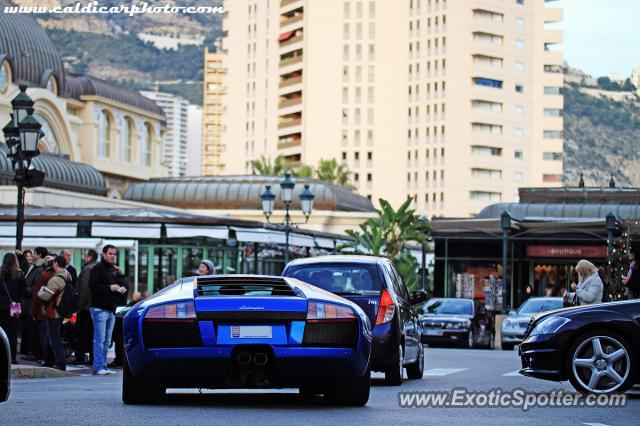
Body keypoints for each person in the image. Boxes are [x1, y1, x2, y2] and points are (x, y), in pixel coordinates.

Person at [89, 245, 128, 375]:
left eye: (114, 254)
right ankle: (98, 366)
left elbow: (112, 286)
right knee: (100, 339)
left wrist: (119, 289)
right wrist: (110, 288)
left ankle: (103, 366)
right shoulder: (98, 269)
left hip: (111, 309)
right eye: (110, 253)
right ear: (104, 254)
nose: (113, 256)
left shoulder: (112, 269)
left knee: (106, 340)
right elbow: (92, 286)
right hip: (99, 308)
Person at [36, 255, 71, 371]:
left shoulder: (55, 279)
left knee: (54, 338)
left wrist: (40, 291)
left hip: (54, 312)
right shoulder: (67, 275)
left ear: (56, 264)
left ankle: (61, 363)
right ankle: (51, 361)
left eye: (54, 263)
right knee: (55, 336)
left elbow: (46, 296)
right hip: (62, 310)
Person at [21, 247, 48, 360]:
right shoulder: (35, 267)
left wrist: (24, 288)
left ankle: (37, 354)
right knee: (31, 330)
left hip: (32, 303)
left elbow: (36, 288)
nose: (32, 256)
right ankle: (35, 352)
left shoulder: (39, 268)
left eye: (34, 254)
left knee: (35, 331)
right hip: (29, 303)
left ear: (39, 255)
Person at [0, 252, 26, 364]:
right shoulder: (19, 274)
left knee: (2, 333)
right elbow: (24, 291)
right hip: (14, 307)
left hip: (1, 307)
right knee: (13, 334)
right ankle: (13, 357)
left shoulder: (0, 273)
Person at [74, 249, 98, 365]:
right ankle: (93, 358)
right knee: (93, 334)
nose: (84, 258)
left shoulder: (87, 269)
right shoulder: (98, 268)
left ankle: (80, 357)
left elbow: (84, 289)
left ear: (89, 257)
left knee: (81, 334)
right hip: (95, 307)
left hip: (86, 308)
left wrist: (79, 307)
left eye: (85, 256)